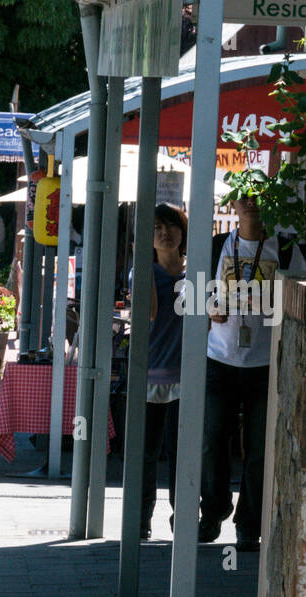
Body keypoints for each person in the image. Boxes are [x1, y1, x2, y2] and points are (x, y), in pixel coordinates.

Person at [199, 194, 299, 551]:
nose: (252, 204)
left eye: (259, 197)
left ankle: (248, 525)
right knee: (212, 439)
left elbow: (299, 301)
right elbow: (197, 294)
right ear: (233, 206)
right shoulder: (216, 246)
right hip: (220, 358)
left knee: (258, 448)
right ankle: (212, 510)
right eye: (244, 198)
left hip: (264, 363)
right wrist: (210, 307)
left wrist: (270, 305)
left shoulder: (285, 249)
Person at [138, 204, 187, 539]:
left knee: (182, 454)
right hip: (149, 375)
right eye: (156, 228)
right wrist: (144, 270)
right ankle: (140, 520)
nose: (164, 233)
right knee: (145, 454)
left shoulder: (197, 273)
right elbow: (150, 315)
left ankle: (182, 519)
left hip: (188, 378)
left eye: (170, 226)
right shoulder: (144, 273)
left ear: (183, 232)